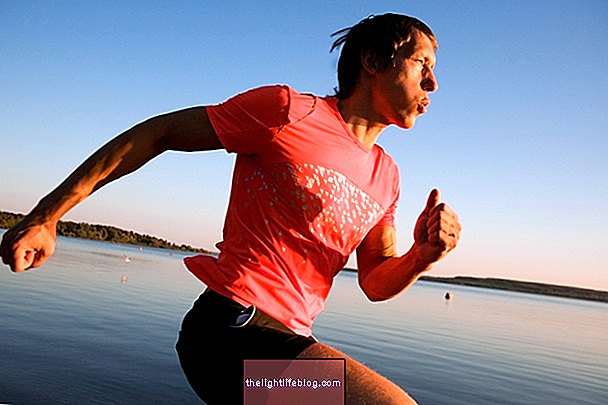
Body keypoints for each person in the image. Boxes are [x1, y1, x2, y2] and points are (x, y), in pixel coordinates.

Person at [1, 13, 461, 404]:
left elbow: (376, 281)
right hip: (228, 336)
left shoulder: (388, 176)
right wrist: (47, 216)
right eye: (422, 64)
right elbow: (158, 133)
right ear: (373, 62)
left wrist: (421, 256)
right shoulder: (287, 111)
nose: (434, 84)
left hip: (284, 345)